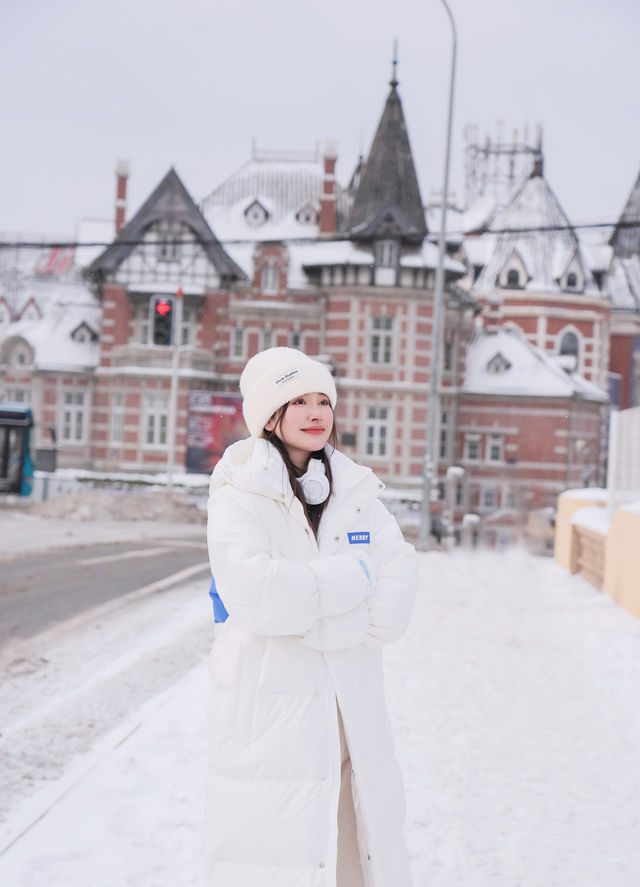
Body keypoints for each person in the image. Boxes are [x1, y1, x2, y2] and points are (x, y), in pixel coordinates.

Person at [205, 347, 418, 887]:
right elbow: (258, 595)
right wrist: (352, 583)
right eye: (297, 400)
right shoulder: (239, 493)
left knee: (357, 852)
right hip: (274, 709)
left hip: (354, 710)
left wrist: (317, 612)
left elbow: (398, 577)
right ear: (269, 417)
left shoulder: (357, 490)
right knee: (277, 853)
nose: (315, 411)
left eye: (324, 399)